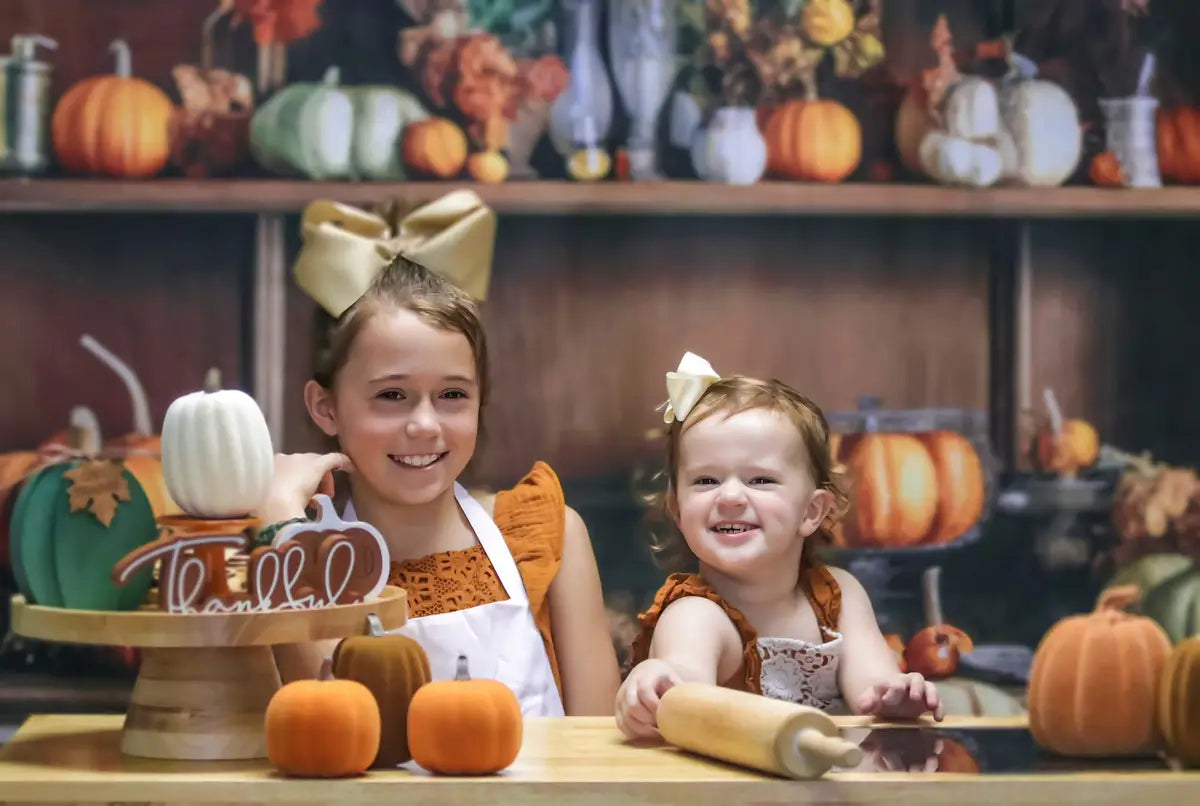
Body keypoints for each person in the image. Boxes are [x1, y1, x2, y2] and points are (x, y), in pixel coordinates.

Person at [260, 191, 620, 717]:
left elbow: (603, 756)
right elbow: (324, 721)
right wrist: (278, 520)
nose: (425, 425)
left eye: (452, 395)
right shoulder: (298, 563)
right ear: (326, 407)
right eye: (391, 395)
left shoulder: (548, 537)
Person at [615, 352, 942, 739]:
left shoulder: (839, 596)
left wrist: (896, 697)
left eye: (760, 481)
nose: (731, 496)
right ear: (677, 508)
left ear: (812, 511)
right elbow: (685, 685)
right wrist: (658, 681)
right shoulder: (695, 614)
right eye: (706, 481)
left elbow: (872, 685)